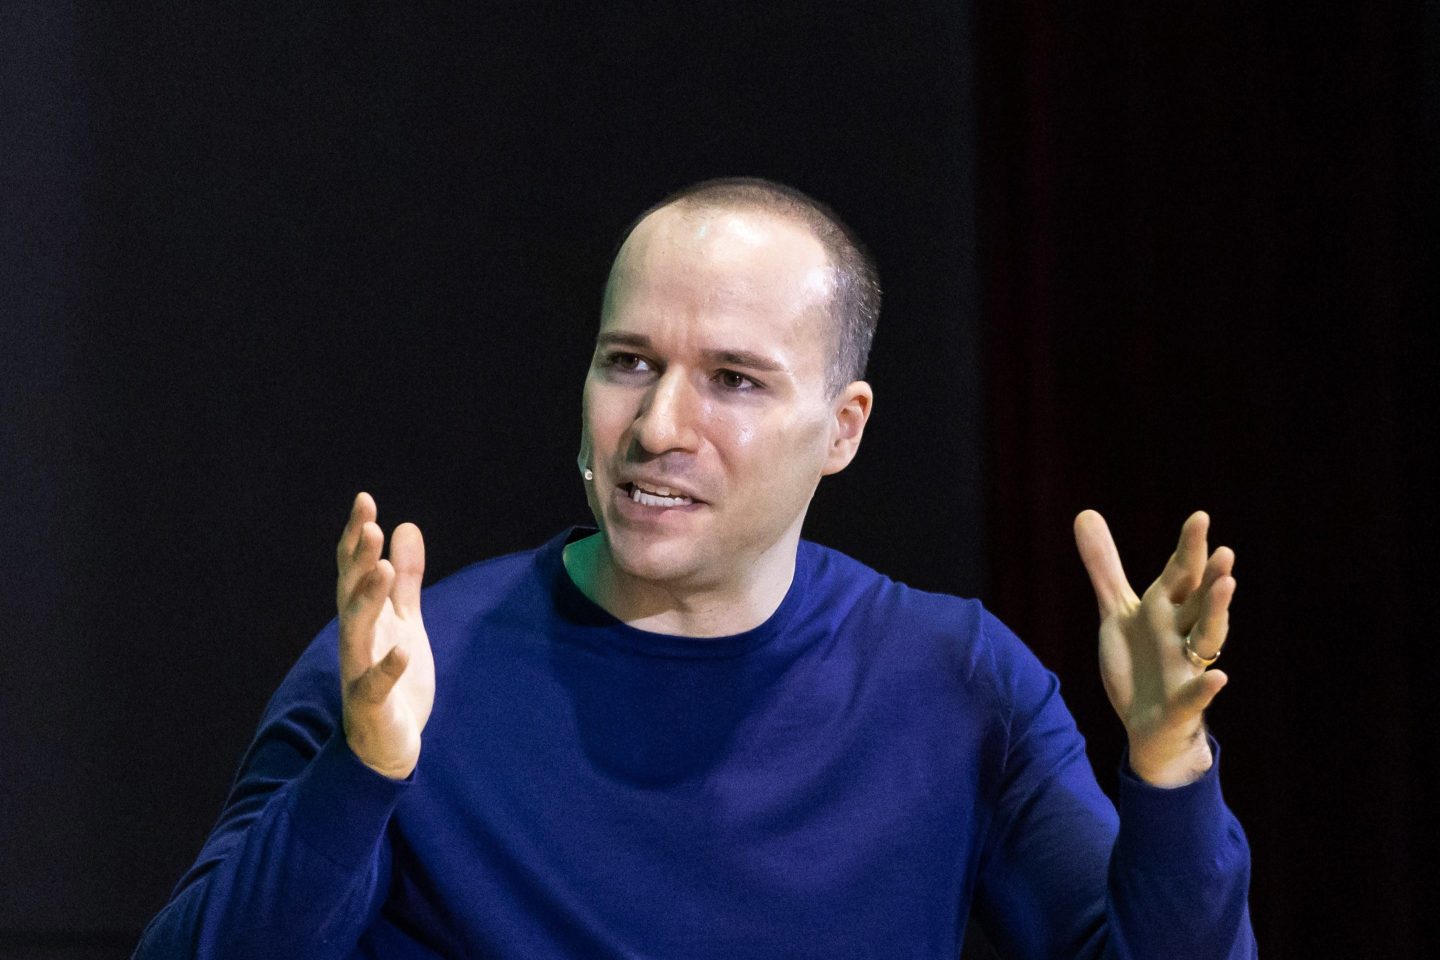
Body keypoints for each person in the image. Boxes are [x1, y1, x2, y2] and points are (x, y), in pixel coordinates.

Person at [134, 178, 1255, 959]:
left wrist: (1169, 765)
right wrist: (362, 772)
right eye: (629, 362)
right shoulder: (409, 666)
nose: (658, 423)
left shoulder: (959, 682)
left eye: (734, 379)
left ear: (843, 427)